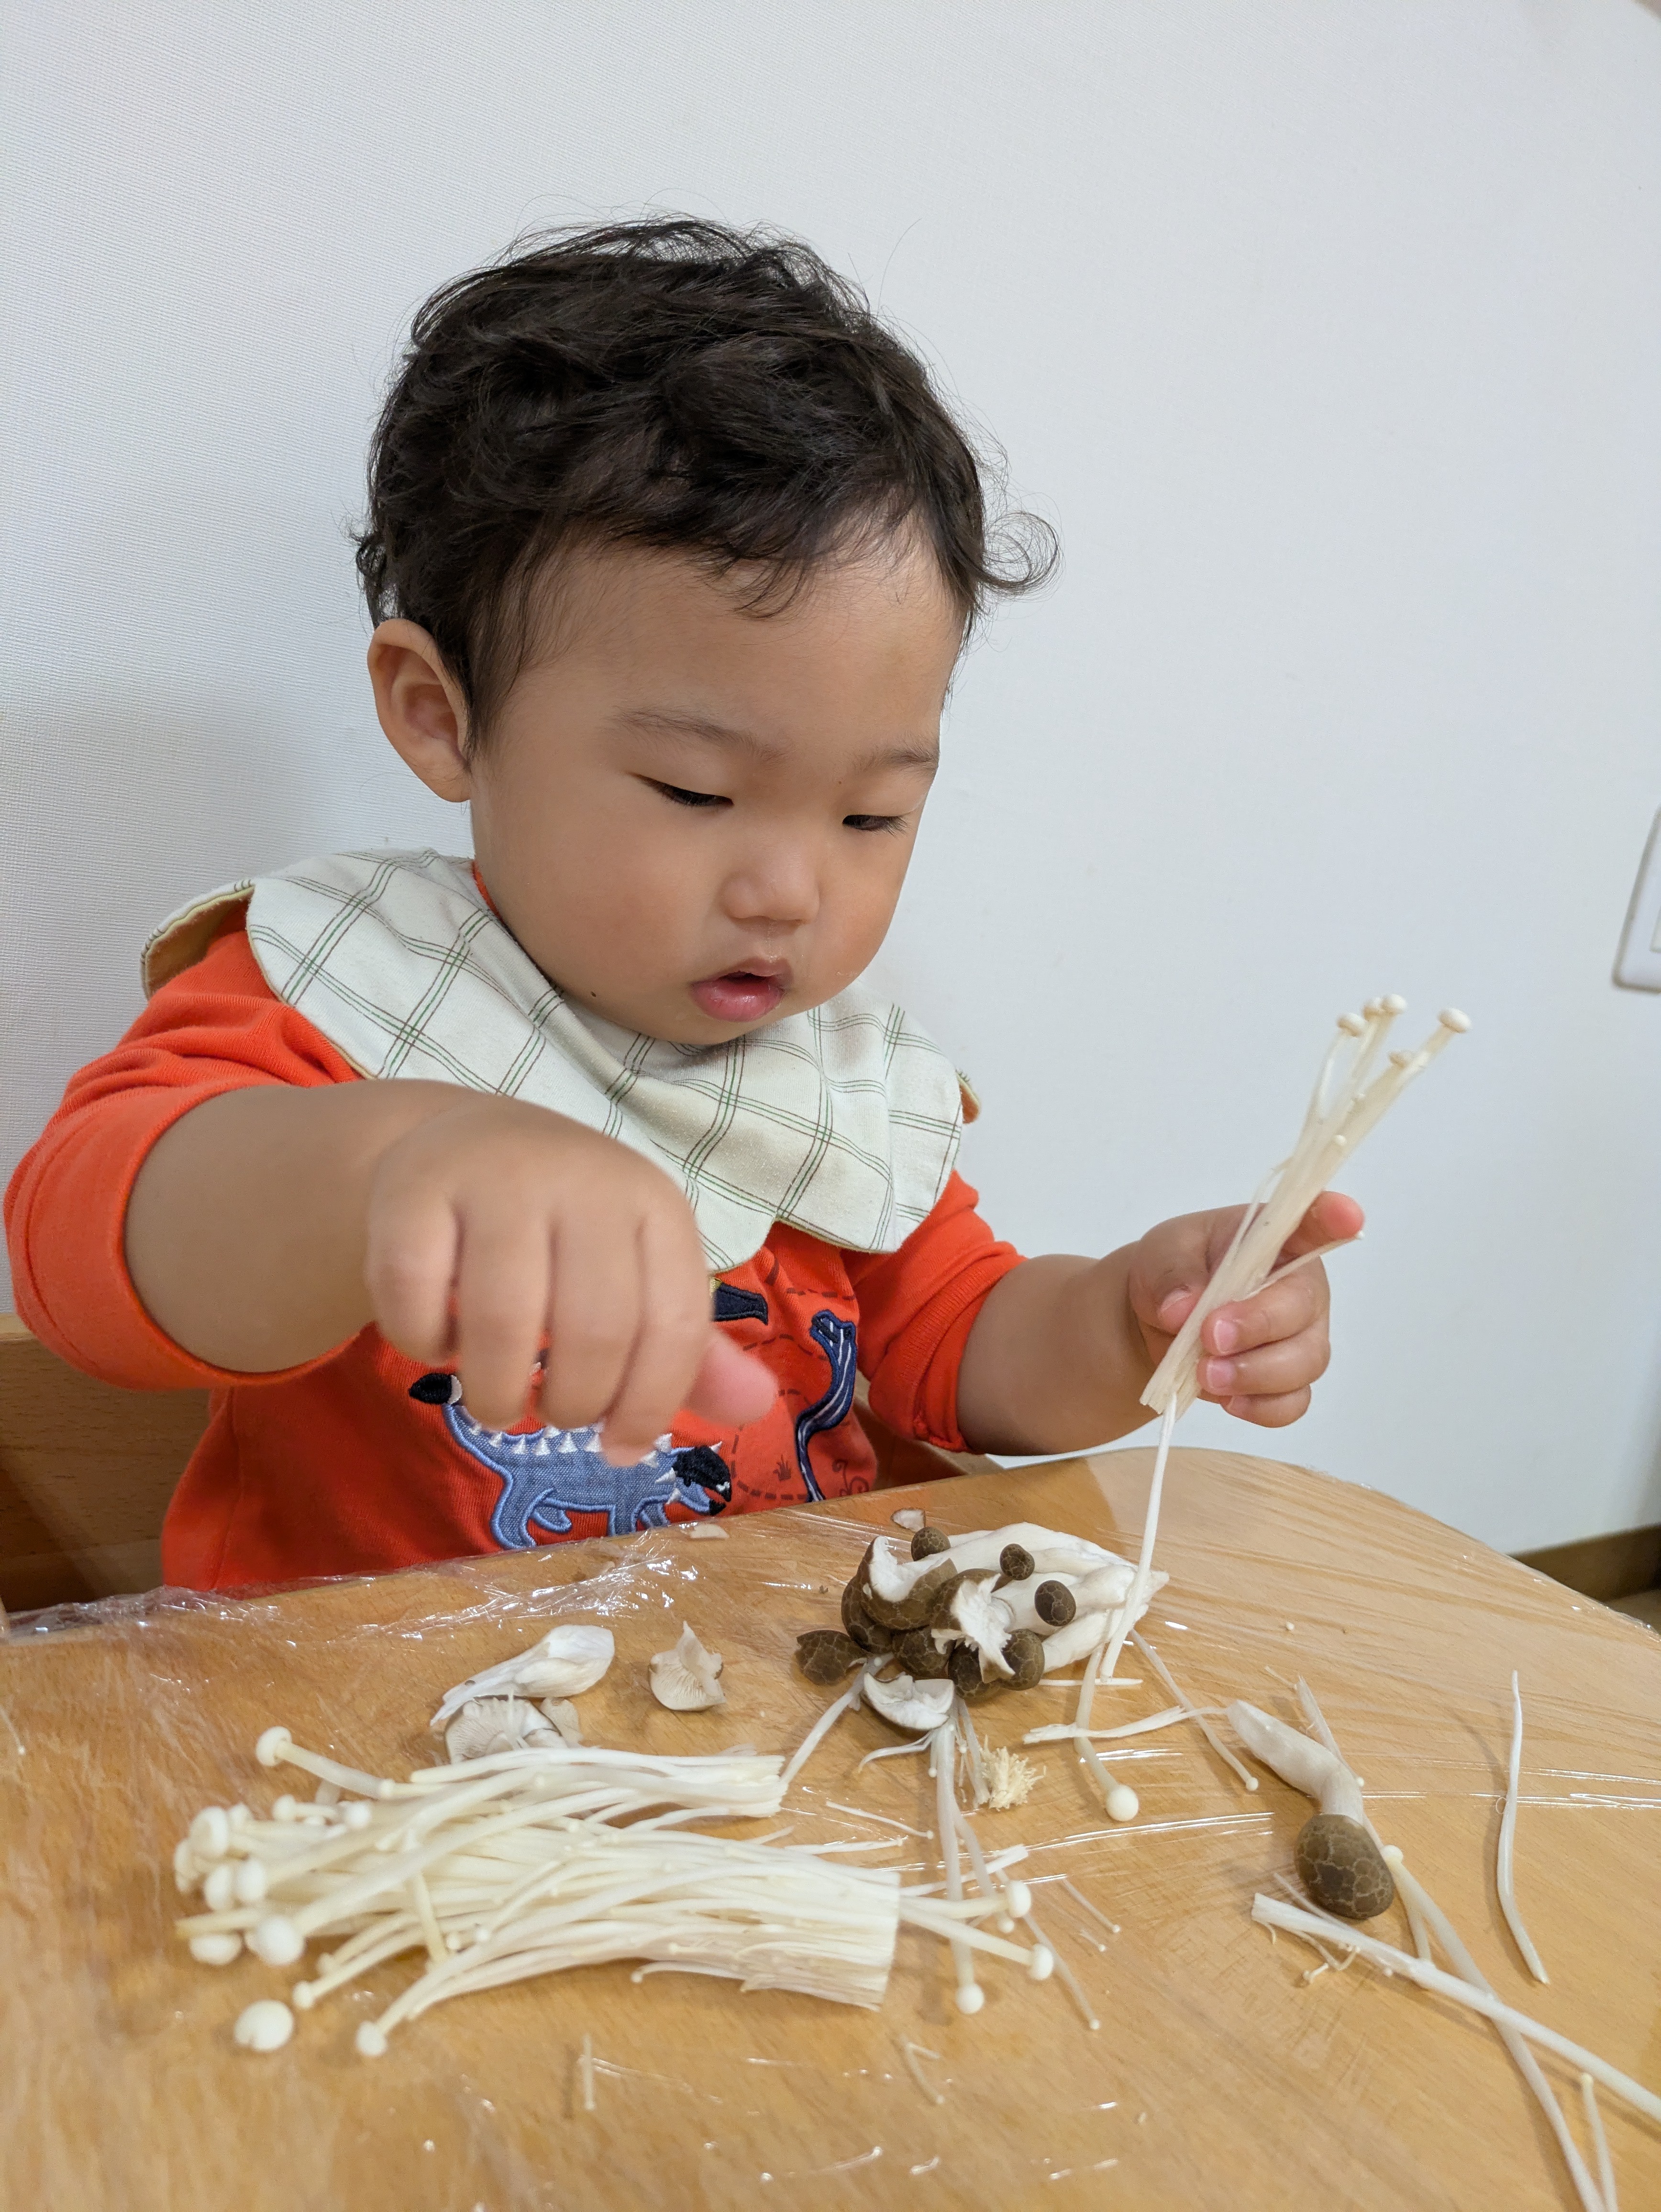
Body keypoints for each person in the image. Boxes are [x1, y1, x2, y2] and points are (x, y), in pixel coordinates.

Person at [4, 221, 1360, 1590]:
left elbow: (959, 1349)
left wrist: (1134, 1324)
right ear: (441, 716)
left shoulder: (833, 1086)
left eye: (872, 816)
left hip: (768, 1722)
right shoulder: (348, 992)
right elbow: (80, 1264)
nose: (787, 888)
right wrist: (388, 1167)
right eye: (696, 792)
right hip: (375, 1758)